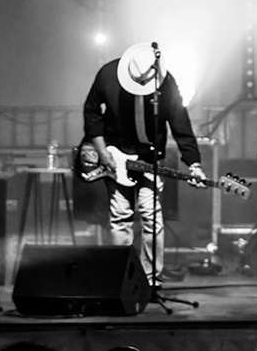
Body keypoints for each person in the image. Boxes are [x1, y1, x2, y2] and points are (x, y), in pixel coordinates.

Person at [81, 40, 205, 287]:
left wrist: (194, 164)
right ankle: (121, 277)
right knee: (120, 216)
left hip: (150, 158)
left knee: (152, 217)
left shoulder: (166, 83)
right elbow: (91, 111)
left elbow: (181, 124)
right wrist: (102, 151)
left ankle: (150, 279)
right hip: (116, 154)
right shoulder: (108, 74)